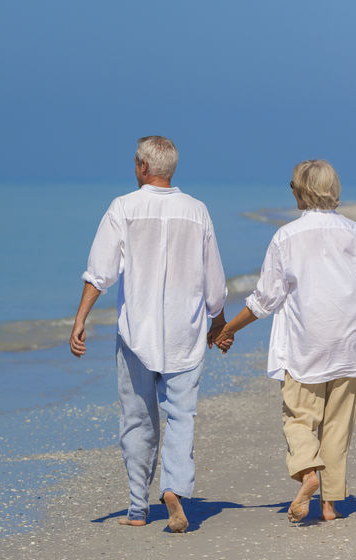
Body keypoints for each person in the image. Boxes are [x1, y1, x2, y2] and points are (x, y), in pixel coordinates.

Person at [69, 136, 227, 532]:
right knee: (181, 416)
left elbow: (100, 272)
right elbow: (214, 280)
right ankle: (174, 487)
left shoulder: (123, 207)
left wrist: (80, 318)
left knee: (138, 420)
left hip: (136, 335)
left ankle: (138, 508)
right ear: (171, 169)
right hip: (185, 332)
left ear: (142, 167)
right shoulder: (197, 211)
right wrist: (219, 323)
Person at [214, 159, 356, 523]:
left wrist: (227, 330)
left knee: (298, 418)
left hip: (306, 344)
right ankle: (331, 505)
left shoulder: (286, 237)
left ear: (303, 191)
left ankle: (308, 473)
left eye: (292, 186)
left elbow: (265, 299)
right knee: (338, 426)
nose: (291, 192)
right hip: (350, 343)